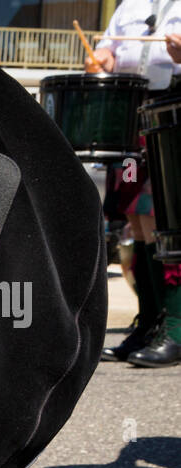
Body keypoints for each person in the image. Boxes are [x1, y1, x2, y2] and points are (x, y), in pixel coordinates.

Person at [90, 2, 181, 368]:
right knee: (137, 217)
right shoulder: (130, 3)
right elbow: (107, 49)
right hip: (130, 115)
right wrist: (101, 58)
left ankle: (176, 328)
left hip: (173, 106)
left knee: (169, 219)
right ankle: (149, 324)